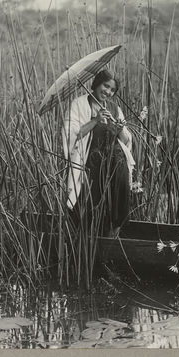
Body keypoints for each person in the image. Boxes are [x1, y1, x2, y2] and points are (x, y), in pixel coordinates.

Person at [62, 70, 135, 235]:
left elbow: (125, 140)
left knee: (119, 199)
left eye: (112, 90)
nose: (108, 92)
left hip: (116, 162)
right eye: (105, 86)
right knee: (92, 202)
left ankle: (112, 237)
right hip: (91, 162)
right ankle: (89, 237)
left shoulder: (114, 108)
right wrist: (95, 120)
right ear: (97, 84)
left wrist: (120, 128)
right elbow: (72, 135)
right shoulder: (79, 104)